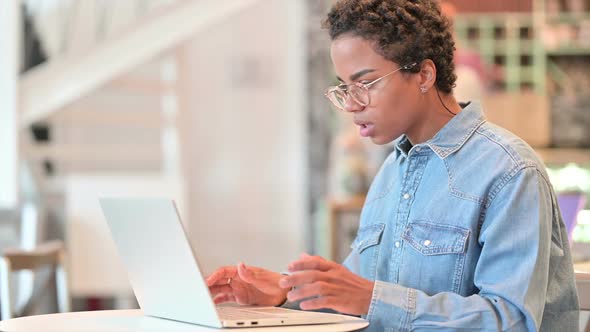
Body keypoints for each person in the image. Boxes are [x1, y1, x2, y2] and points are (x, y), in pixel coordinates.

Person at [206, 0, 580, 330]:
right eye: (344, 87)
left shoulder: (509, 172)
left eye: (365, 83)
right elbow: (354, 291)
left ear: (423, 75)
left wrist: (370, 299)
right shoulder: (391, 172)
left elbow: (512, 321)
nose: (351, 104)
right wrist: (286, 291)